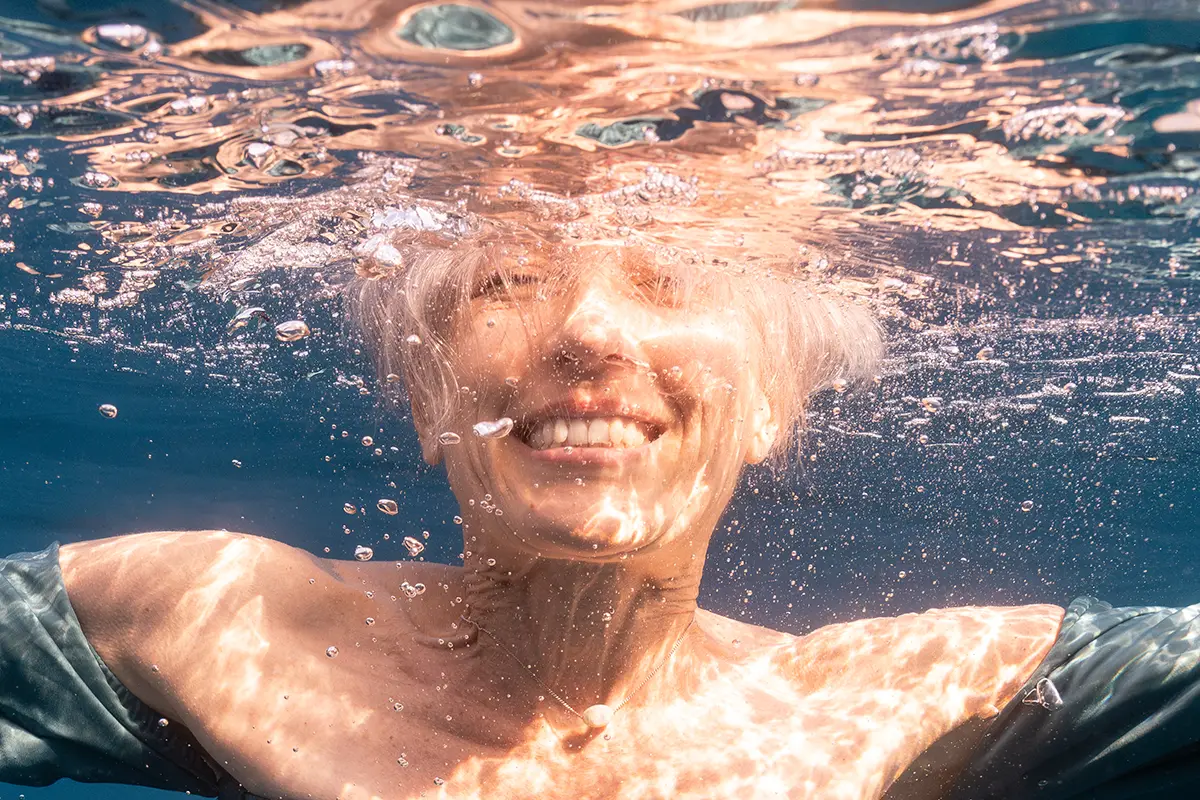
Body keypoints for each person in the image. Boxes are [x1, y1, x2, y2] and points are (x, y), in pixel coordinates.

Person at [3, 227, 1199, 800]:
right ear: (426, 393)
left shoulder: (922, 695)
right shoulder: (208, 620)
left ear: (776, 398)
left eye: (673, 276)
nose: (590, 332)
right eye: (509, 280)